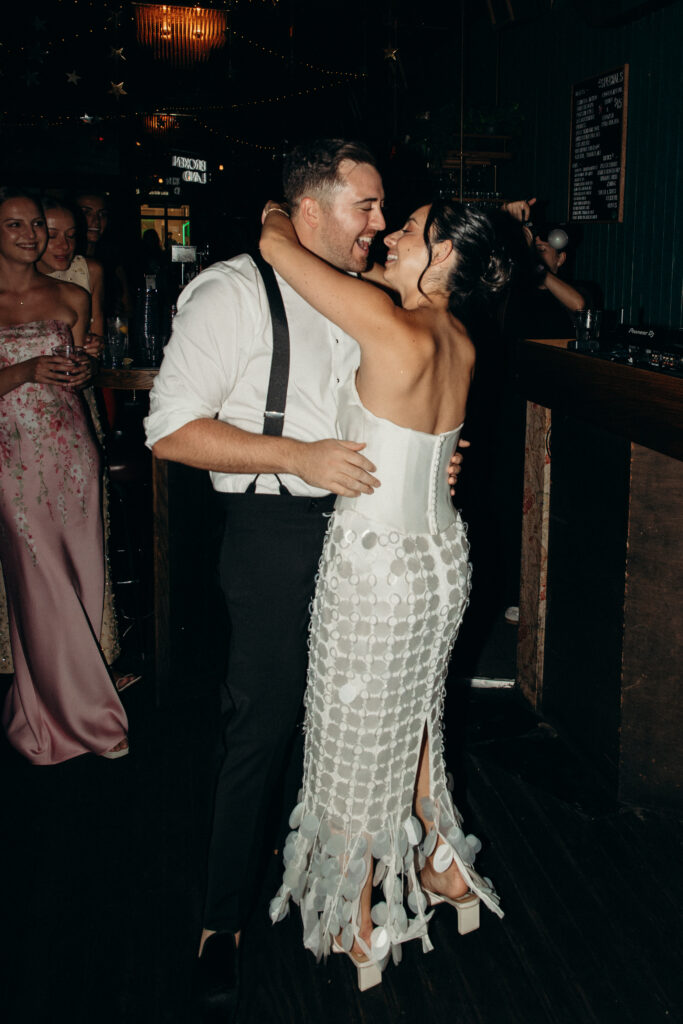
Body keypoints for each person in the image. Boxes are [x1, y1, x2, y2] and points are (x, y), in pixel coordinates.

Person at [145, 140, 461, 1015]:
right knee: (264, 723)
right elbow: (168, 430)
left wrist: (426, 460)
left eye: (385, 210)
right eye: (366, 205)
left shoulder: (369, 299)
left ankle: (341, 887)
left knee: (358, 723)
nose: (379, 224)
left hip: (368, 538)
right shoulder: (232, 292)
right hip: (277, 532)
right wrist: (298, 457)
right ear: (309, 209)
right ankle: (221, 921)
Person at [260, 194, 509, 988]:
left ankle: (359, 918)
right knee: (417, 720)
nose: (390, 235)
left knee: (354, 740)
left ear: (445, 256)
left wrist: (279, 210)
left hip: (377, 566)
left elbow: (277, 250)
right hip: (441, 561)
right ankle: (443, 868)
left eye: (408, 229)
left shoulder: (386, 322)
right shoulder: (460, 339)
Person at [0, 187, 128, 763]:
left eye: (35, 224)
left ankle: (48, 703)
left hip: (72, 451)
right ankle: (89, 717)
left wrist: (85, 370)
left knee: (79, 576)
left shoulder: (73, 296)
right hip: (11, 460)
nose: (31, 235)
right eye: (15, 224)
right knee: (40, 583)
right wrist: (28, 368)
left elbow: (82, 369)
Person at [34, 196, 140, 691]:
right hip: (17, 426)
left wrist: (92, 357)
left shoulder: (86, 275)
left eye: (71, 234)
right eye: (51, 233)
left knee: (83, 535)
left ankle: (94, 658)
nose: (62, 244)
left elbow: (94, 346)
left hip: (74, 411)